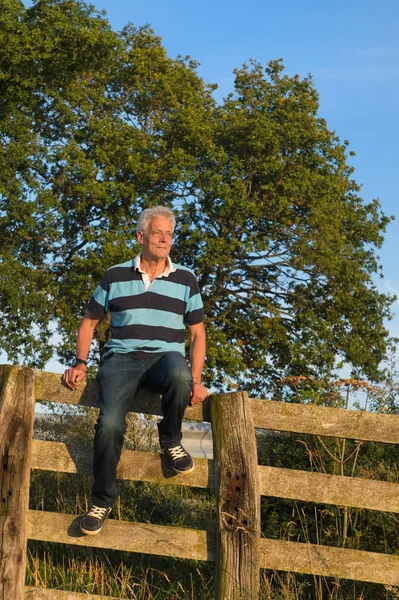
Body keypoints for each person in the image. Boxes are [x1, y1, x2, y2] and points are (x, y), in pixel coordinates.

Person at [62, 206, 207, 535]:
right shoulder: (115, 276)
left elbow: (198, 335)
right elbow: (89, 321)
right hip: (122, 358)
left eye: (169, 234)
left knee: (181, 376)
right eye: (158, 233)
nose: (164, 239)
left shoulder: (186, 279)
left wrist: (197, 381)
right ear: (141, 236)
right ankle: (101, 501)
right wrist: (80, 362)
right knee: (110, 424)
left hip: (165, 357)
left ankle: (170, 440)